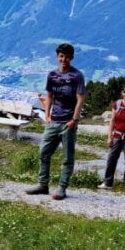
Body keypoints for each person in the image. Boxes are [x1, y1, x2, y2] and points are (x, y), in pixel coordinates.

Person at [27, 43, 85, 200]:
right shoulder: (52, 75)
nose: (63, 59)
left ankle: (62, 188)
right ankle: (43, 184)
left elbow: (80, 100)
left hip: (68, 122)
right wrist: (47, 115)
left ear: (71, 57)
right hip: (54, 121)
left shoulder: (77, 76)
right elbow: (50, 96)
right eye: (61, 56)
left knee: (67, 157)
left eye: (66, 56)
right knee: (44, 152)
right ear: (57, 56)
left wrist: (74, 119)